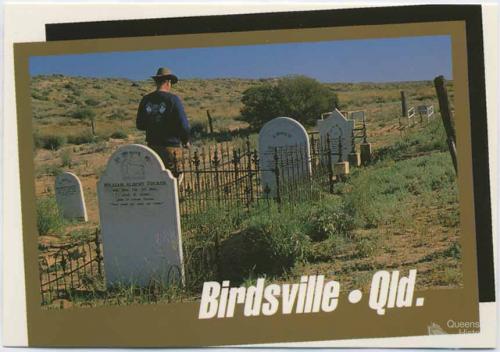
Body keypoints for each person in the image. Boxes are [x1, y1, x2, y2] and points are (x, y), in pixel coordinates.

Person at [136, 67, 190, 177]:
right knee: (173, 180)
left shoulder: (146, 100)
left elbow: (140, 124)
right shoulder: (173, 99)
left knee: (156, 181)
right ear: (168, 82)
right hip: (171, 147)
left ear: (156, 82)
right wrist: (185, 140)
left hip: (152, 148)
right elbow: (183, 125)